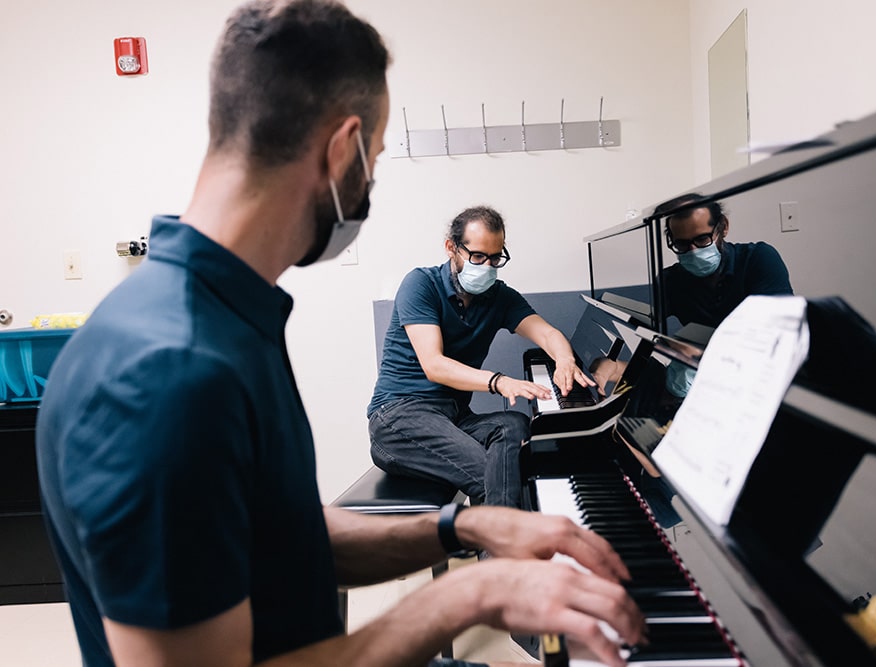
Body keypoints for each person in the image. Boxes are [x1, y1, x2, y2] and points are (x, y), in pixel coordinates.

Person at [34, 3, 644, 667]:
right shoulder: (167, 372)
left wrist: (459, 525)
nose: (370, 183)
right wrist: (470, 590)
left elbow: (274, 533)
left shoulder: (223, 316)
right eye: (374, 158)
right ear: (340, 146)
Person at [368, 206, 595, 509]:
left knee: (513, 424)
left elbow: (548, 335)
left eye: (495, 258)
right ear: (452, 248)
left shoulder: (499, 297)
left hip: (453, 416)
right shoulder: (420, 284)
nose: (487, 267)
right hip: (399, 418)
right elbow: (434, 365)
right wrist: (499, 382)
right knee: (493, 477)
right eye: (477, 257)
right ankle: (513, 545)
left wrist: (565, 360)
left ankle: (499, 542)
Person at [657, 193, 793, 397]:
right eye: (682, 245)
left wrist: (709, 356)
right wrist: (672, 345)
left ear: (723, 227)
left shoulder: (759, 260)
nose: (693, 251)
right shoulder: (671, 280)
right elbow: (648, 328)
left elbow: (777, 336)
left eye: (702, 239)